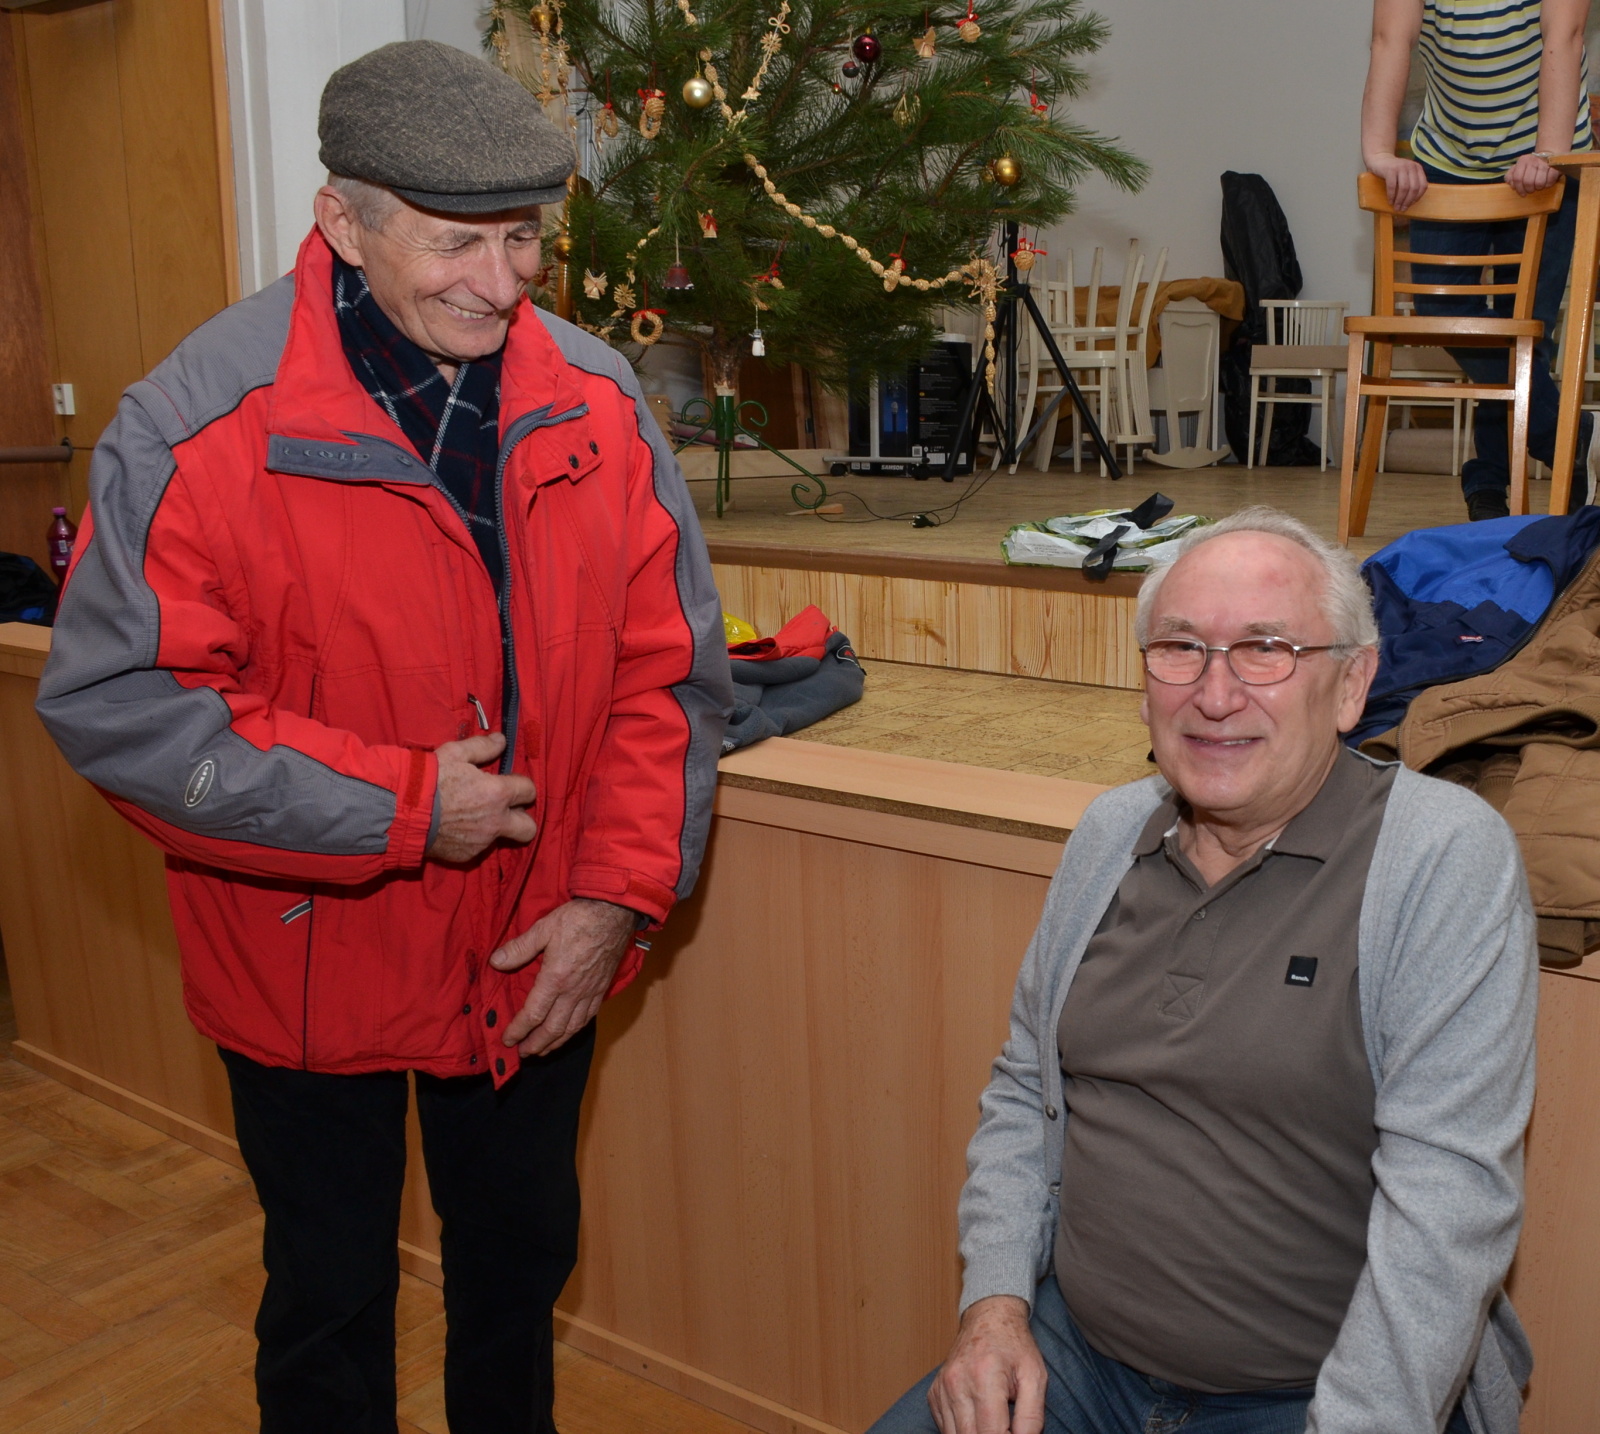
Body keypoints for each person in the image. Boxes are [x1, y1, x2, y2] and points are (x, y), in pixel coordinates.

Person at [35, 40, 729, 1434]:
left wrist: (614, 898)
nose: (503, 281)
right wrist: (403, 807)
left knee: (518, 1277)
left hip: (536, 947)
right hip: (304, 964)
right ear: (342, 225)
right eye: (456, 240)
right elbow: (124, 707)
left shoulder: (598, 398)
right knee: (328, 1302)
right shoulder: (192, 424)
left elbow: (669, 677)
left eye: (523, 236)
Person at [870, 507, 1536, 1434]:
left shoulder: (1440, 855)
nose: (1215, 695)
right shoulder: (1110, 834)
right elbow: (1026, 1088)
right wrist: (995, 1308)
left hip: (1319, 1393)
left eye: (1266, 650)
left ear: (1351, 685)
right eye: (1180, 649)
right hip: (1073, 1357)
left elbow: (1449, 1203)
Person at [1362, 0, 1598, 521]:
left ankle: (1489, 482)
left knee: (1526, 329)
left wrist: (1549, 154)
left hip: (1548, 153)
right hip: (1448, 156)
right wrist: (1379, 153)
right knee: (1441, 311)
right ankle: (1573, 442)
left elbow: (1565, 37)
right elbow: (1389, 39)